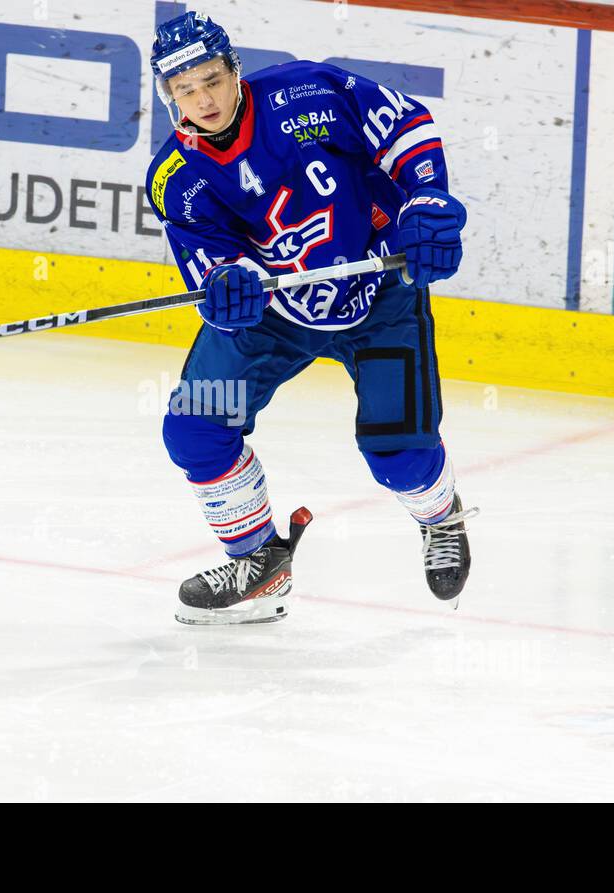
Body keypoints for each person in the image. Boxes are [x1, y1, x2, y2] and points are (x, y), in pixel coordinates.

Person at [145, 11, 476, 625]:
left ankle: (440, 516)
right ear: (170, 99)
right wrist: (228, 284)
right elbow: (209, 265)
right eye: (185, 90)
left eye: (212, 79)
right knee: (195, 426)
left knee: (398, 454)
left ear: (234, 72)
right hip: (275, 314)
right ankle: (257, 564)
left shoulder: (310, 94)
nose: (204, 99)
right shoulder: (175, 179)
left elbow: (406, 125)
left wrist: (426, 195)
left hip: (380, 293)